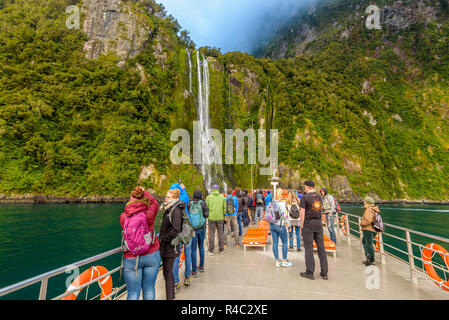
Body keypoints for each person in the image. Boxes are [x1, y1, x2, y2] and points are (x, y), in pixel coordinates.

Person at [120, 186, 160, 300]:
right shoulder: (149, 214)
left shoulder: (123, 217)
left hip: (131, 257)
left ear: (130, 199)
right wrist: (144, 192)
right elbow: (155, 203)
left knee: (132, 293)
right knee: (149, 289)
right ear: (143, 198)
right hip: (151, 254)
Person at [299, 180, 328, 280]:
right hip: (318, 225)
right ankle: (324, 273)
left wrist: (301, 226)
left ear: (307, 187)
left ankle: (310, 273)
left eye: (304, 187)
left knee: (309, 249)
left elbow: (302, 213)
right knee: (321, 248)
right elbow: (320, 209)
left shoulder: (305, 197)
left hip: (308, 225)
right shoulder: (319, 197)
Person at [159, 188, 184, 300]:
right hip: (167, 246)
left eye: (168, 197)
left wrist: (163, 238)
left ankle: (170, 297)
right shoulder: (169, 208)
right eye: (166, 196)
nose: (165, 198)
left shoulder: (176, 210)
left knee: (168, 274)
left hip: (170, 247)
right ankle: (171, 296)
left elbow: (176, 230)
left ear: (175, 198)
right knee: (167, 273)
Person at [169, 183, 192, 290]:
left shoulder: (170, 204)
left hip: (175, 232)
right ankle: (187, 276)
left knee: (175, 257)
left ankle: (176, 282)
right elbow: (186, 197)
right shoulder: (184, 199)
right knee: (188, 254)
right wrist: (183, 189)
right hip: (186, 231)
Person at [187, 189, 209, 277]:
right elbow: (207, 215)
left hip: (192, 230)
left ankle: (194, 271)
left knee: (193, 249)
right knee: (201, 247)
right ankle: (202, 266)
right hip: (202, 228)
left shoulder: (189, 204)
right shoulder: (203, 203)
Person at [269, 188, 292, 267]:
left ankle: (277, 261)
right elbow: (285, 217)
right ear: (281, 195)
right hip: (280, 226)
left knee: (275, 243)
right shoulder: (283, 204)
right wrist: (289, 226)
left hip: (272, 225)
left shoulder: (271, 203)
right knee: (284, 243)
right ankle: (284, 261)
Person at [206, 184, 226, 255]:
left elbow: (206, 207)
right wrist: (224, 215)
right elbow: (224, 208)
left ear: (212, 189)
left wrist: (208, 215)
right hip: (220, 217)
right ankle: (221, 249)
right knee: (220, 233)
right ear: (218, 189)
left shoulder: (208, 197)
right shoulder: (222, 197)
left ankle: (211, 251)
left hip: (211, 218)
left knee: (211, 234)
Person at [360, 196, 380, 266]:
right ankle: (368, 256)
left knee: (369, 244)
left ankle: (372, 259)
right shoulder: (374, 209)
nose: (363, 202)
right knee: (365, 242)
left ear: (367, 202)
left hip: (368, 229)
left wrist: (361, 223)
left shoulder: (369, 210)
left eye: (364, 201)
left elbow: (368, 220)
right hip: (373, 229)